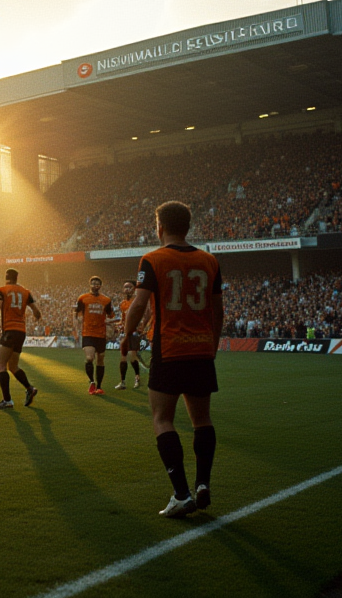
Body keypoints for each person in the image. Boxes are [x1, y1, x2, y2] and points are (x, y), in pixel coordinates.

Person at [123, 201, 223, 519]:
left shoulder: (153, 259)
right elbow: (218, 312)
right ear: (188, 227)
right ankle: (203, 482)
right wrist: (212, 346)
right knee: (202, 420)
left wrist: (127, 335)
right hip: (201, 351)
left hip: (169, 350)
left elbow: (139, 304)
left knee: (162, 419)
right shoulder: (209, 260)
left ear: (160, 227)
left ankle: (181, 494)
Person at [0, 269, 42, 409]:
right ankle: (30, 389)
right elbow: (36, 311)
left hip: (9, 330)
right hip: (21, 332)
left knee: (1, 365)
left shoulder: (2, 290)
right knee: (13, 366)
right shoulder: (26, 292)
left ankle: (7, 400)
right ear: (17, 278)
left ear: (5, 278)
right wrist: (37, 318)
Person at [74, 276, 114, 395]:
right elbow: (76, 312)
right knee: (89, 358)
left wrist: (111, 326)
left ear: (100, 286)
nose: (95, 285)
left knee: (100, 360)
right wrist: (76, 326)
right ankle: (92, 382)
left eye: (97, 283)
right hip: (88, 333)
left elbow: (111, 315)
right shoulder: (83, 298)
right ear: (90, 285)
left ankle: (99, 386)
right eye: (93, 283)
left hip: (101, 334)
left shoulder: (106, 300)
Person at [116, 280, 150, 390]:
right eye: (125, 287)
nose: (127, 289)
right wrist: (119, 325)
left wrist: (142, 327)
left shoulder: (138, 301)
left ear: (134, 288)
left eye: (129, 287)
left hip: (134, 332)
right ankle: (122, 382)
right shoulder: (122, 303)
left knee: (132, 356)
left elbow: (146, 315)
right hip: (125, 332)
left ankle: (137, 378)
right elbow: (123, 320)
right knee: (123, 357)